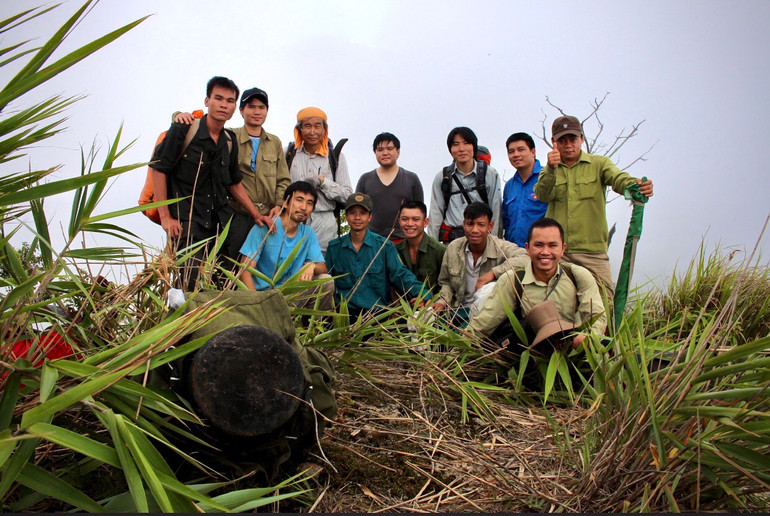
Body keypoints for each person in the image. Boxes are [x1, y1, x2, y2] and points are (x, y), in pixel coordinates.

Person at [151, 76, 258, 290]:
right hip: (188, 224)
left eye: (229, 100)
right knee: (187, 284)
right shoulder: (184, 129)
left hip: (220, 227)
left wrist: (256, 214)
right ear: (207, 100)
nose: (223, 105)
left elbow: (234, 182)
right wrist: (165, 217)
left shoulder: (229, 140)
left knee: (221, 285)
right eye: (218, 98)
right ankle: (182, 322)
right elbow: (158, 169)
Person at [533, 115, 654, 304]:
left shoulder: (599, 164)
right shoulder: (548, 169)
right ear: (553, 143)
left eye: (572, 139)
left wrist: (636, 186)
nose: (568, 145)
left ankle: (603, 335)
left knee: (604, 303)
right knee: (556, 304)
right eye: (561, 140)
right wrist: (550, 168)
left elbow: (618, 179)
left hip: (592, 253)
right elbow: (542, 195)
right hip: (559, 254)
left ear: (581, 138)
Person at [172, 87, 292, 258]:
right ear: (241, 110)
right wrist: (178, 115)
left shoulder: (274, 142)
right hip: (236, 214)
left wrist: (279, 205)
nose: (257, 112)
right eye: (251, 107)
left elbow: (283, 179)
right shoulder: (229, 136)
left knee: (265, 268)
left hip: (268, 217)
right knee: (231, 263)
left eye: (261, 107)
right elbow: (200, 126)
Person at [469, 218, 606, 350]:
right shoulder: (513, 280)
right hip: (528, 355)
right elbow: (483, 324)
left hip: (571, 352)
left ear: (563, 248)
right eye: (539, 245)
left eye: (552, 245)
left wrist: (586, 340)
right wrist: (455, 353)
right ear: (528, 248)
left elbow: (597, 318)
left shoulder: (577, 276)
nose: (545, 252)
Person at [325, 193, 431, 317]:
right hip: (343, 316)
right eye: (352, 212)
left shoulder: (384, 246)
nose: (357, 217)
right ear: (346, 216)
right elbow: (327, 283)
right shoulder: (334, 248)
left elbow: (401, 274)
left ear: (370, 217)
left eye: (363, 213)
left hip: (376, 317)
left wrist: (423, 293)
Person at [239, 181, 333, 311]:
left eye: (309, 203)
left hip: (288, 298)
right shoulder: (266, 227)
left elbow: (323, 269)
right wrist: (257, 305)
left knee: (325, 281)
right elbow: (244, 271)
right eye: (299, 200)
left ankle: (312, 330)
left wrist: (312, 265)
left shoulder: (308, 234)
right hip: (260, 297)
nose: (304, 207)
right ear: (285, 202)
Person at [432, 202, 526, 326]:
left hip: (487, 315)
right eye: (470, 224)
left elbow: (526, 258)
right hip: (458, 310)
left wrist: (493, 273)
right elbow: (446, 282)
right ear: (464, 224)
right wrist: (442, 301)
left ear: (490, 226)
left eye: (481, 225)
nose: (475, 230)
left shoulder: (501, 247)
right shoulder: (454, 247)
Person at [286, 107, 352, 254]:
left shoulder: (335, 157)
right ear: (300, 129)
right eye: (307, 126)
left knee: (323, 271)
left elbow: (347, 195)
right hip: (293, 222)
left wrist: (323, 182)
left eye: (317, 126)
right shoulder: (289, 153)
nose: (312, 131)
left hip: (325, 224)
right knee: (290, 269)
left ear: (324, 129)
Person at [427, 127, 502, 244]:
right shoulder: (443, 177)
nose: (461, 149)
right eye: (456, 144)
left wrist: (495, 245)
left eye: (466, 143)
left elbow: (496, 211)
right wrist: (433, 247)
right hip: (452, 242)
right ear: (451, 150)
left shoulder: (490, 174)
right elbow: (435, 213)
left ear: (474, 147)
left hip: (481, 241)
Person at [355, 132, 423, 242]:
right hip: (371, 240)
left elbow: (420, 212)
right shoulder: (365, 179)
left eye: (390, 148)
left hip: (404, 240)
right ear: (375, 153)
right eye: (380, 150)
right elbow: (358, 210)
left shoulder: (412, 179)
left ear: (398, 151)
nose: (385, 153)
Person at [501, 132, 548, 247]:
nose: (516, 155)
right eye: (511, 151)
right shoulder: (510, 185)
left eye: (521, 149)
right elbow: (506, 220)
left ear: (533, 152)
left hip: (541, 250)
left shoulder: (547, 178)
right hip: (514, 251)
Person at [395, 200, 446, 294]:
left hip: (433, 305)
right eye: (405, 219)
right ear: (399, 221)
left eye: (416, 219)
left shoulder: (440, 251)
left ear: (425, 222)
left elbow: (447, 286)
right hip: (401, 306)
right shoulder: (395, 250)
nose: (409, 224)